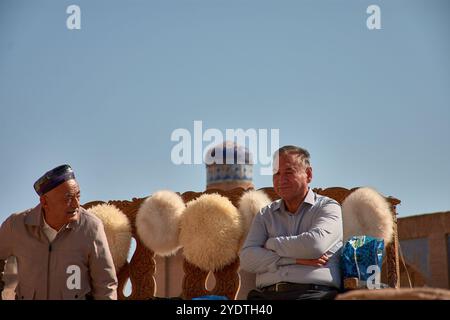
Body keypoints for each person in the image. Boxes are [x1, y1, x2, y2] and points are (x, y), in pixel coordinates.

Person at [239, 146, 343, 300]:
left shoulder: (328, 207)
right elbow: (247, 258)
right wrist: (294, 259)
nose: (281, 179)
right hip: (266, 296)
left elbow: (314, 245)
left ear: (308, 174)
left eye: (289, 172)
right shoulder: (265, 214)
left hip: (314, 294)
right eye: (276, 173)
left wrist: (270, 244)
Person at [0, 164, 118, 300]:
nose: (76, 205)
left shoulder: (91, 227)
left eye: (77, 196)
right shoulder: (16, 225)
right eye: (68, 198)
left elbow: (105, 284)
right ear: (45, 202)